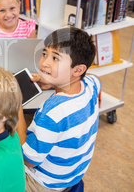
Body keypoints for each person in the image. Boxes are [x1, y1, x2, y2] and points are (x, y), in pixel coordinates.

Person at [21, 27, 100, 191]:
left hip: (43, 182)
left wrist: (15, 110)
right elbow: (97, 79)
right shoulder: (90, 85)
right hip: (73, 173)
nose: (45, 62)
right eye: (44, 54)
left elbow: (29, 160)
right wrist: (52, 82)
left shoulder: (52, 113)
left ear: (78, 70)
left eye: (55, 58)